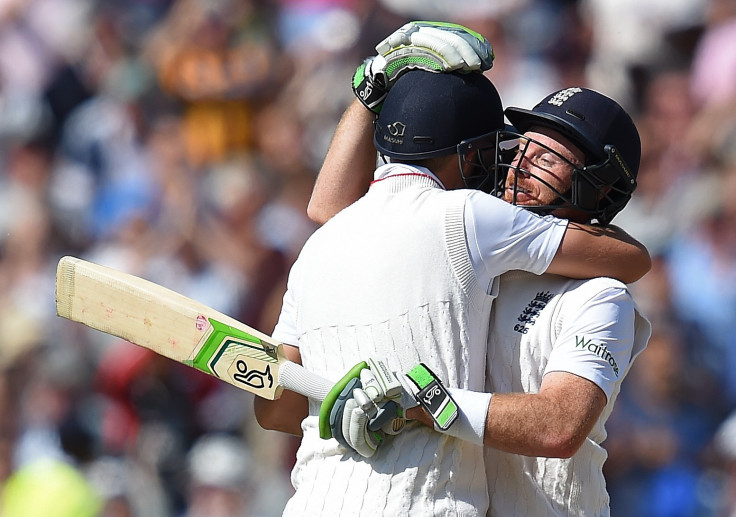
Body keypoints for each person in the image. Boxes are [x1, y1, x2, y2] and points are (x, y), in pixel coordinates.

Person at [255, 23, 650, 517]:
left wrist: (426, 404)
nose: (523, 162)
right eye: (524, 144)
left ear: (600, 186)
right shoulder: (462, 241)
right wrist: (371, 92)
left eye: (550, 156)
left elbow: (559, 425)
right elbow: (334, 215)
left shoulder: (597, 298)